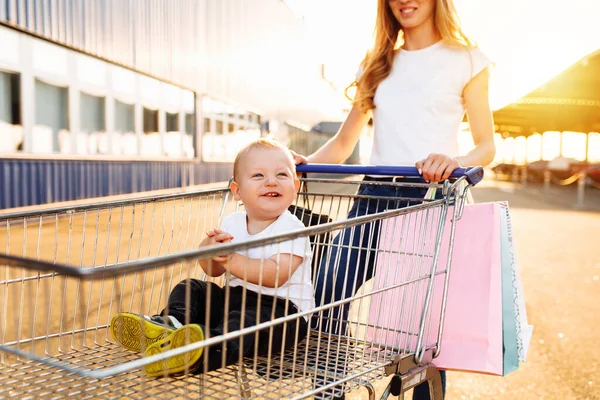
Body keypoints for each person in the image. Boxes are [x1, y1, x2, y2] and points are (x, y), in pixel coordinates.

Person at [292, 0, 496, 398]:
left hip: (431, 201)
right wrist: (301, 165)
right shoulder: (378, 63)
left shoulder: (469, 60)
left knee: (420, 327)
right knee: (329, 291)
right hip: (372, 198)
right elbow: (344, 141)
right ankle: (328, 391)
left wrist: (454, 161)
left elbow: (487, 145)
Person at [110, 138, 314, 377]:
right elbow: (213, 272)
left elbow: (275, 276)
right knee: (192, 288)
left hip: (282, 313)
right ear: (237, 191)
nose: (271, 181)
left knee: (245, 321)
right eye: (258, 175)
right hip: (235, 299)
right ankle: (171, 325)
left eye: (282, 175)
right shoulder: (232, 222)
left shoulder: (292, 227)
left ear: (295, 187)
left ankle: (202, 351)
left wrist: (232, 260)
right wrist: (209, 251)